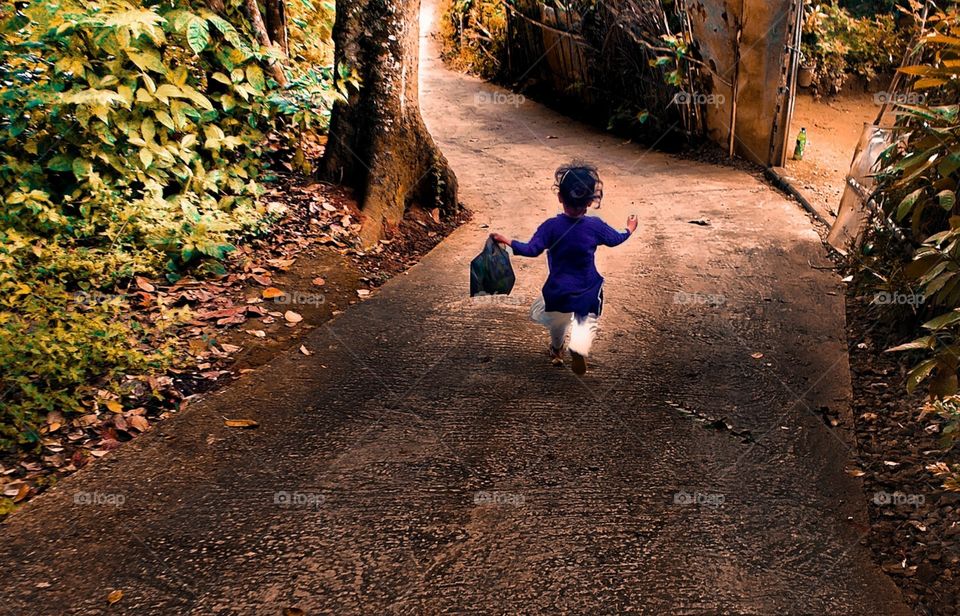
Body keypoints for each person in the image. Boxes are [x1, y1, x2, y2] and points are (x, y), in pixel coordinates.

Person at [490, 162, 637, 375]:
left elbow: (531, 250)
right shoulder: (594, 226)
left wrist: (507, 240)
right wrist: (629, 229)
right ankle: (578, 346)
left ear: (560, 197)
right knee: (584, 318)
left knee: (557, 322)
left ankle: (557, 350)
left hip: (558, 289)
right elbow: (615, 239)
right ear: (589, 202)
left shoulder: (551, 227)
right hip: (587, 287)